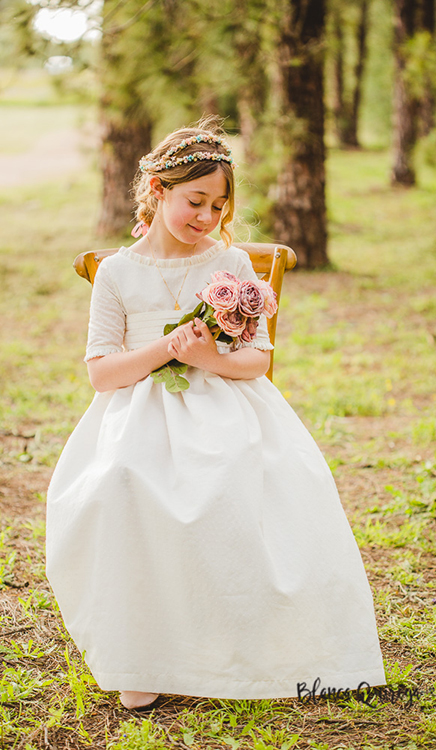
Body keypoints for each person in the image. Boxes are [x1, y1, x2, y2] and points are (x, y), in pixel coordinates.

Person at [46, 120, 385, 710]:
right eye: (193, 201)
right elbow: (102, 373)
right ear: (156, 190)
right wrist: (167, 349)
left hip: (228, 404)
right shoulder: (119, 273)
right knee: (122, 480)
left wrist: (207, 357)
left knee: (233, 475)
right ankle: (140, 655)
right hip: (138, 411)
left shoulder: (229, 263)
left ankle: (240, 638)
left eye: (218, 205)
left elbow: (255, 361)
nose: (205, 216)